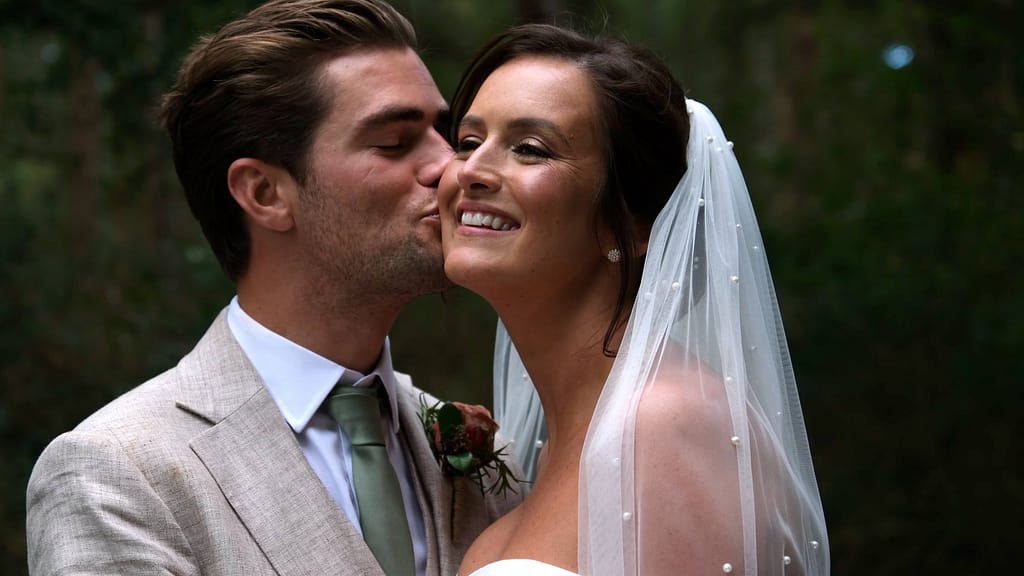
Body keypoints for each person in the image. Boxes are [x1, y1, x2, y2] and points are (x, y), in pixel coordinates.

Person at [25, 1, 520, 575]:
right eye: (394, 142)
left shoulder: (477, 449)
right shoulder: (117, 475)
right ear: (264, 193)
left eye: (443, 133)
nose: (452, 167)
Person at [437, 24, 830, 575]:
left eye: (529, 149)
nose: (471, 171)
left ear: (633, 220)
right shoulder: (553, 447)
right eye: (469, 141)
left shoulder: (665, 425)